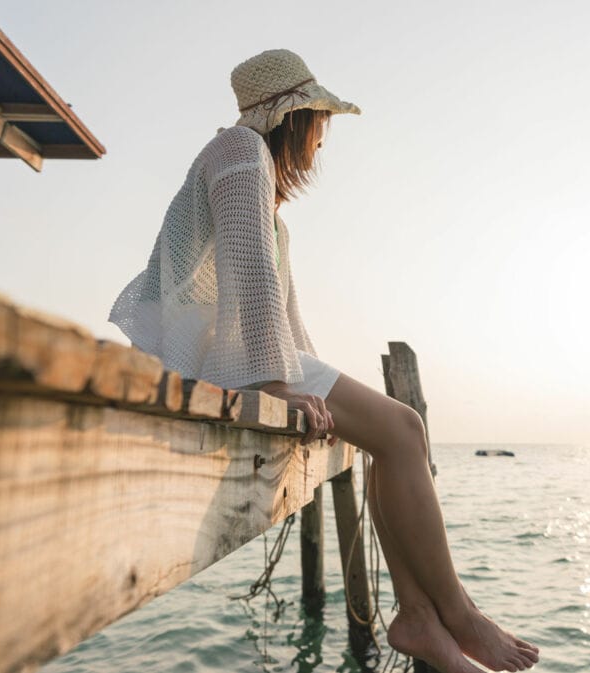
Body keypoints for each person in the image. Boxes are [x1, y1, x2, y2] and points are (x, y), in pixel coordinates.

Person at [108, 49, 539, 673]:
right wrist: (275, 385)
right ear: (294, 116)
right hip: (212, 357)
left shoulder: (260, 190)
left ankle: (420, 615)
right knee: (404, 430)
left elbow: (285, 316)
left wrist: (311, 384)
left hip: (237, 352)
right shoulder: (240, 152)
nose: (321, 138)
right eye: (320, 121)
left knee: (389, 436)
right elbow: (251, 279)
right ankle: (456, 612)